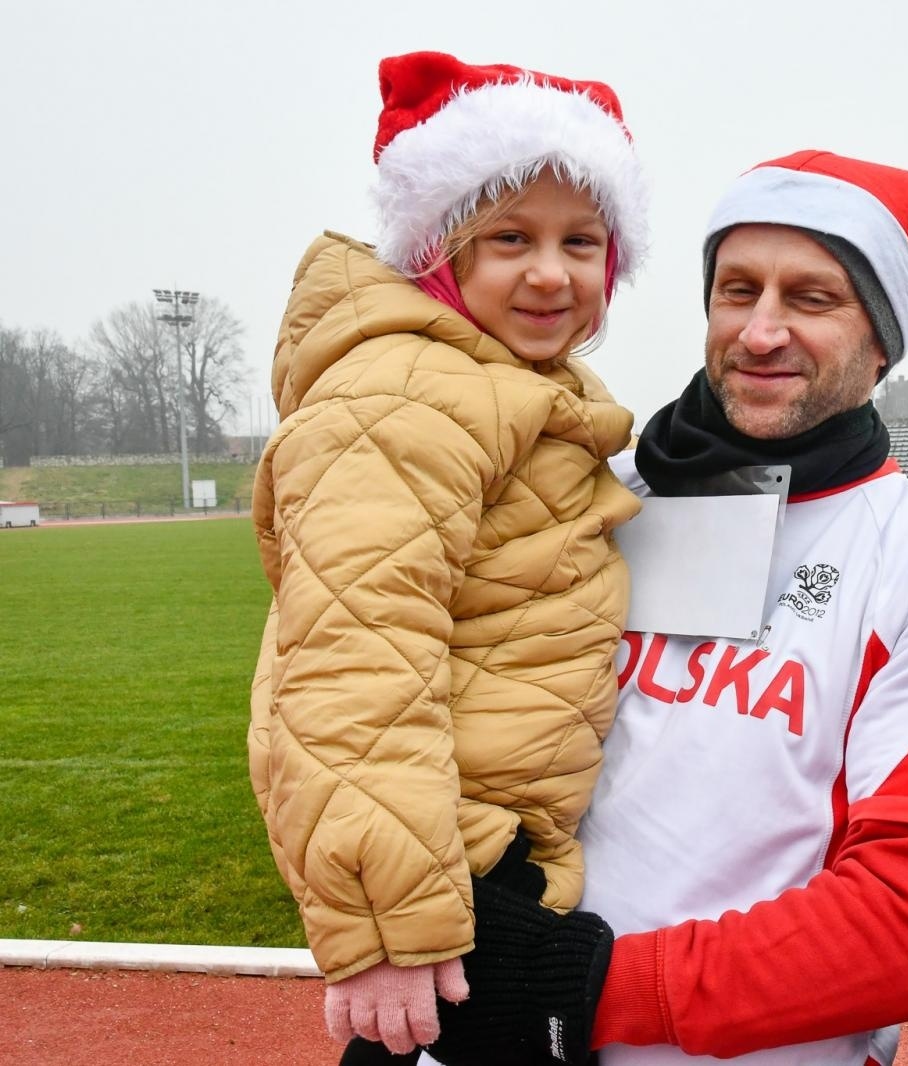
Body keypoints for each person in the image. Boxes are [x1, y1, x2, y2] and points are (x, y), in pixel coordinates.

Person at [419, 150, 908, 1066]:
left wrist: (587, 990)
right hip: (487, 1037)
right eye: (737, 290)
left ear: (882, 340)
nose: (760, 331)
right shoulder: (591, 498)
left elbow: (905, 925)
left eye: (812, 298)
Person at [247, 50, 648, 1061]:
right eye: (510, 237)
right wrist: (394, 928)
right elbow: (355, 657)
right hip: (452, 885)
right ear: (439, 252)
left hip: (488, 852)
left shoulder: (500, 387)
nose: (552, 272)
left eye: (582, 240)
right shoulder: (405, 396)